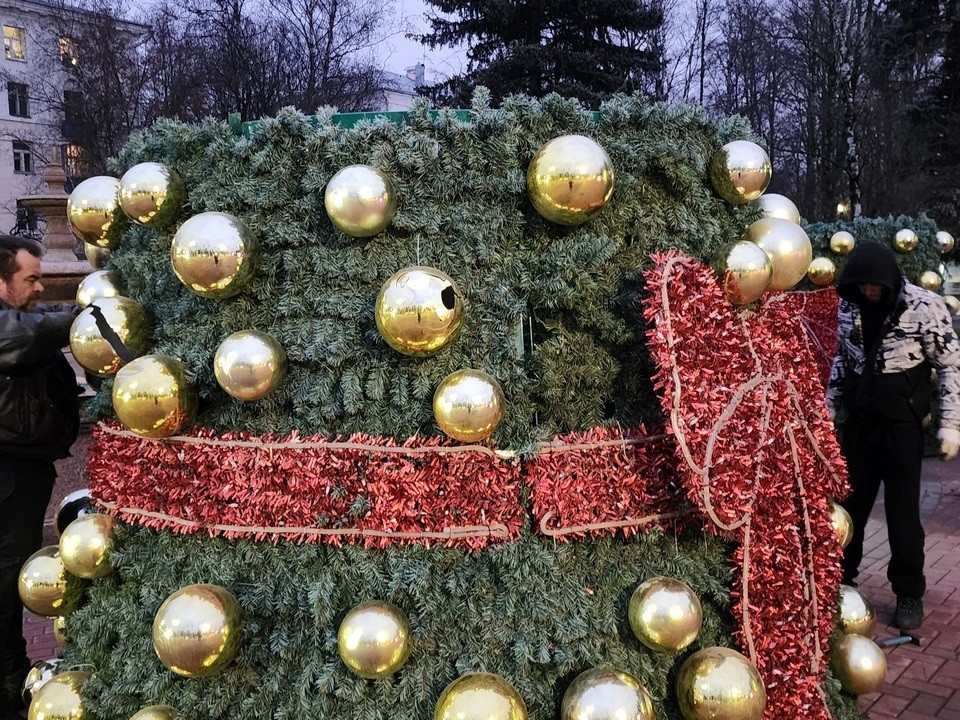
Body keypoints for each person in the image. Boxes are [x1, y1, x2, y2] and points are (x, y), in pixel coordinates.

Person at [827, 240, 960, 631]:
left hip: (902, 427)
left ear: (889, 280)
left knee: (903, 516)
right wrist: (828, 408)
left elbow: (950, 366)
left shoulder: (924, 306)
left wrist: (951, 424)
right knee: (850, 509)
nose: (869, 292)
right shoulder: (849, 305)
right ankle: (841, 583)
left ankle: (908, 593)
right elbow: (843, 358)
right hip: (861, 424)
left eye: (875, 285)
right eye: (862, 285)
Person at [0, 235, 79, 720]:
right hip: (7, 473)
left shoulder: (18, 316)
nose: (40, 287)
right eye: (30, 278)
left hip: (22, 471)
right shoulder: (9, 326)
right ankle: (7, 688)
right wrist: (85, 317)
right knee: (5, 581)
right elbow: (24, 336)